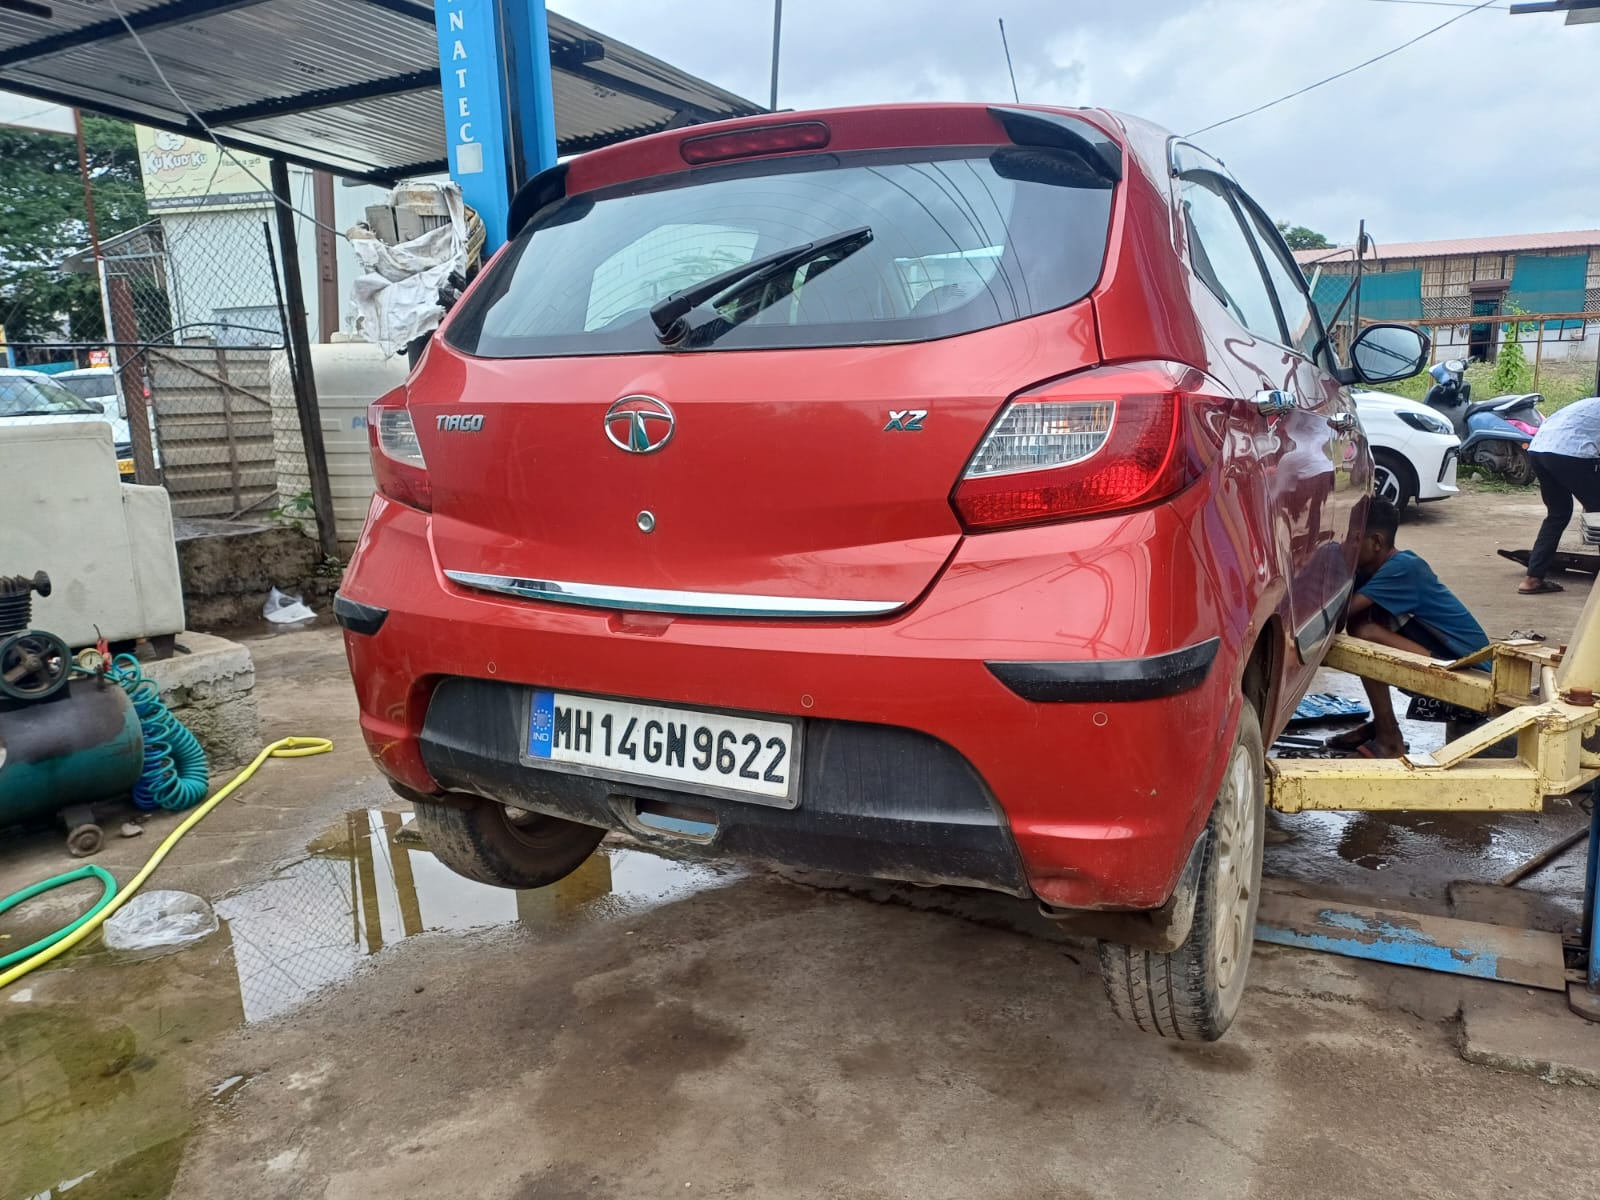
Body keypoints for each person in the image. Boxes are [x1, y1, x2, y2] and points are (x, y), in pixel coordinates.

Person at [1337, 498, 1490, 757]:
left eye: (1352, 539)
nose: (1345, 547)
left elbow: (1339, 617)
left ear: (1376, 542)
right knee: (1362, 627)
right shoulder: (1371, 571)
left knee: (1365, 635)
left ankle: (1388, 736)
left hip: (1475, 680)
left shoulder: (1404, 568)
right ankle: (1382, 726)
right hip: (1447, 666)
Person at [1520, 394, 1600, 595]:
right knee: (1599, 514)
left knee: (1558, 514)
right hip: (1571, 452)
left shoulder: (1587, 404)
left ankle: (1532, 579)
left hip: (1539, 449)